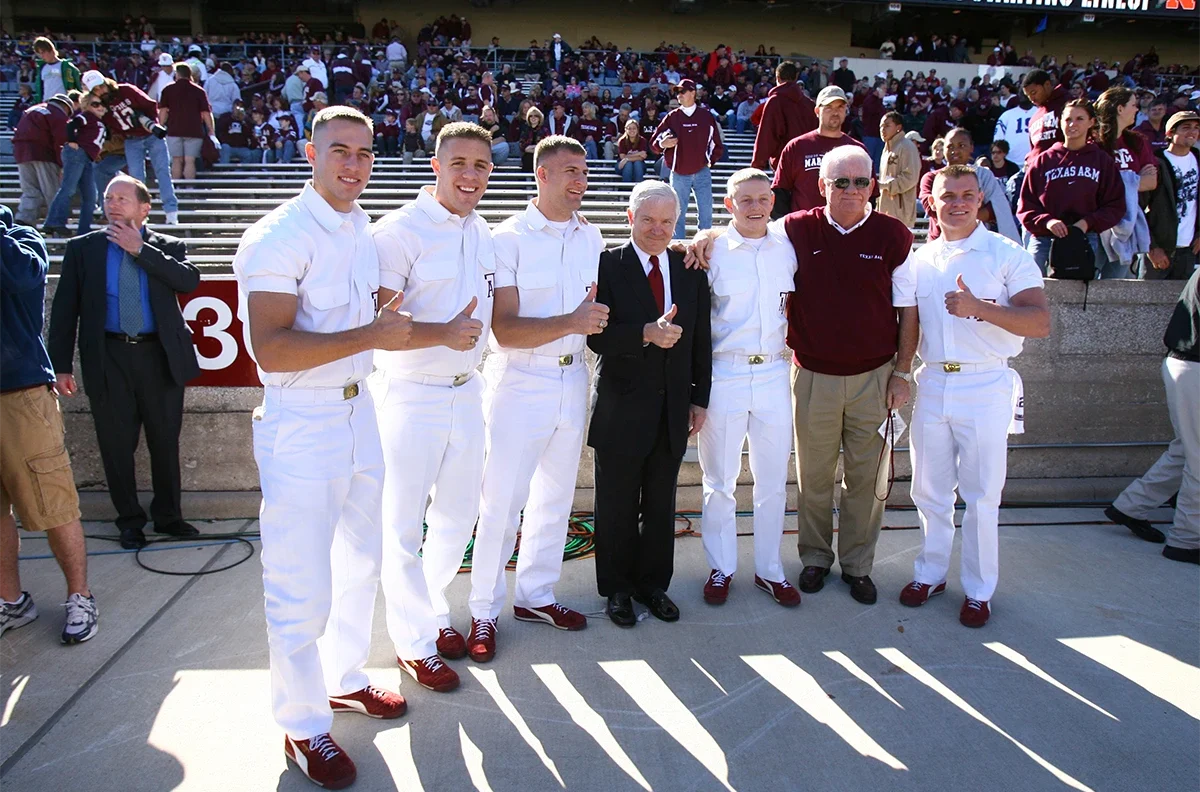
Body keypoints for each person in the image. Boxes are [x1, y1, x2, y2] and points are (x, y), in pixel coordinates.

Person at [232, 105, 408, 790]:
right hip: (301, 422)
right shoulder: (277, 234)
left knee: (360, 562)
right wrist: (371, 335)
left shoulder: (362, 227)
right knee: (299, 582)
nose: (354, 165)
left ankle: (344, 679)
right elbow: (273, 351)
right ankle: (304, 728)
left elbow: (372, 321)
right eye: (340, 151)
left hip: (359, 410)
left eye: (364, 154)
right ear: (310, 152)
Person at [691, 146, 915, 606]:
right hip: (798, 373)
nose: (850, 189)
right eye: (840, 181)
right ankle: (800, 561)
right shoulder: (795, 231)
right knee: (803, 477)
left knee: (861, 479)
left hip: (868, 374)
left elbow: (908, 311)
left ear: (873, 184)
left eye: (859, 181)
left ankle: (851, 566)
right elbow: (741, 232)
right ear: (822, 185)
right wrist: (699, 237)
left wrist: (903, 372)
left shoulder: (892, 235)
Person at [369, 122, 497, 691]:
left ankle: (430, 607)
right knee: (400, 526)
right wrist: (440, 334)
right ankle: (414, 644)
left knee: (457, 519)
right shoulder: (397, 231)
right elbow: (378, 326)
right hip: (409, 394)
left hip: (469, 391)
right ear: (436, 166)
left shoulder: (485, 231)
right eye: (460, 164)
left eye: (482, 166)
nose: (471, 176)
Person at [893, 165, 1050, 628]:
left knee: (982, 495)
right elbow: (911, 322)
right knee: (929, 490)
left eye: (966, 195)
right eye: (947, 196)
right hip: (935, 380)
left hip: (985, 384)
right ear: (932, 202)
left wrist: (981, 309)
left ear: (979, 199)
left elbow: (1039, 322)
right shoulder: (921, 258)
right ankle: (931, 573)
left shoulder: (1006, 252)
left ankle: (980, 590)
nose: (957, 203)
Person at [466, 136, 603, 662]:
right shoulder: (509, 238)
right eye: (569, 171)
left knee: (555, 498)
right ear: (541, 175)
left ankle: (536, 595)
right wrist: (571, 321)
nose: (579, 181)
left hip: (573, 381)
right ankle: (483, 611)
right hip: (520, 380)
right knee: (501, 501)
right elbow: (505, 330)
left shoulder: (590, 238)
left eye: (584, 172)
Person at [48, 175, 201, 549]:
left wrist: (139, 250)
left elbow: (188, 281)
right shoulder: (83, 249)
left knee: (164, 440)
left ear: (144, 208)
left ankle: (168, 516)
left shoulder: (167, 245)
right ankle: (129, 520)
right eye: (108, 198)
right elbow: (65, 310)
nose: (113, 204)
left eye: (122, 198)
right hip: (109, 356)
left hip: (159, 356)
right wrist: (61, 365)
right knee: (116, 444)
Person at [587, 180, 712, 626]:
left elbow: (699, 338)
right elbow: (595, 335)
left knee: (661, 505)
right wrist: (645, 332)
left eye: (667, 221)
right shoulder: (606, 265)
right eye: (648, 220)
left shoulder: (688, 266)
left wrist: (699, 399)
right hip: (622, 406)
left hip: (673, 408)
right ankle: (617, 589)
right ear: (630, 218)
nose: (658, 230)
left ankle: (653, 584)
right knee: (617, 505)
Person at [697, 169, 800, 608]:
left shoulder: (789, 247)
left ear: (772, 201)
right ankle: (721, 567)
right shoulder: (712, 250)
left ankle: (769, 570)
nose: (755, 207)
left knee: (773, 478)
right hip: (726, 372)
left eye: (762, 198)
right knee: (719, 479)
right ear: (728, 205)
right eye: (745, 200)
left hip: (775, 373)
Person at [0, 207, 98, 646]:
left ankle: (80, 595)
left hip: (19, 396)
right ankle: (12, 601)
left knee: (54, 501)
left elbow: (23, 282)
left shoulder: (20, 239)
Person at [1105, 264, 1200, 566]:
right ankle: (1186, 540)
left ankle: (1131, 506)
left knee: (1187, 450)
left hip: (1186, 364)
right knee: (1197, 457)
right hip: (1194, 366)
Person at [1018, 100, 1125, 274]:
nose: (1072, 124)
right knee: (1032, 286)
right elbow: (1026, 205)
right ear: (1060, 122)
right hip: (1044, 239)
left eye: (1080, 118)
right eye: (1067, 119)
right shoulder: (1044, 160)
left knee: (1078, 296)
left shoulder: (1102, 160)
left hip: (1084, 238)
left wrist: (1086, 223)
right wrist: (1048, 221)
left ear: (1091, 122)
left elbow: (1115, 205)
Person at [80, 70, 180, 226]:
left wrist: (151, 123)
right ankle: (139, 216)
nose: (100, 91)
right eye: (96, 89)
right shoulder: (102, 106)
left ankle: (171, 211)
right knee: (136, 179)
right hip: (131, 140)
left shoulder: (126, 90)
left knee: (162, 171)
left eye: (101, 86)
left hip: (151, 135)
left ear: (106, 82)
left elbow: (150, 105)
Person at [771, 86, 867, 216]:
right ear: (817, 111)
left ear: (846, 110)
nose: (835, 112)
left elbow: (868, 194)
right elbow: (780, 192)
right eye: (828, 107)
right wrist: (790, 227)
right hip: (804, 229)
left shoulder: (858, 150)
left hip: (846, 230)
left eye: (840, 107)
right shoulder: (797, 146)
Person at [920, 128, 1021, 244]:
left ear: (971, 148)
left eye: (961, 145)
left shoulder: (984, 175)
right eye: (950, 146)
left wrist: (955, 213)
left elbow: (996, 208)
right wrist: (974, 212)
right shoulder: (931, 178)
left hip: (978, 244)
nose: (955, 151)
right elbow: (932, 208)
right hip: (940, 242)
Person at [652, 78, 724, 240]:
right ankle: (678, 249)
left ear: (693, 93)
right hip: (678, 173)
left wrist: (710, 160)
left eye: (683, 91)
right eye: (677, 92)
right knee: (677, 215)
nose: (679, 95)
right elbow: (655, 143)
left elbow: (717, 143)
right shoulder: (672, 117)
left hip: (702, 172)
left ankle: (704, 248)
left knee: (706, 214)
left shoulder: (706, 116)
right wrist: (663, 144)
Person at [1141, 111, 1200, 281]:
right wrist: (1151, 247)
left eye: (1196, 128)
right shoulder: (1155, 162)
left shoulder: (1198, 160)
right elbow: (1138, 207)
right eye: (1186, 127)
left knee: (1184, 306)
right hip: (1160, 251)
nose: (1192, 132)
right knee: (1148, 304)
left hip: (1189, 251)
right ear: (1170, 133)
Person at [42, 92, 107, 238]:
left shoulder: (100, 121)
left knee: (91, 197)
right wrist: (72, 141)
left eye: (102, 104)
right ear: (86, 105)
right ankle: (54, 222)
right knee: (68, 188)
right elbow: (71, 124)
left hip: (87, 158)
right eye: (95, 104)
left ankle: (83, 231)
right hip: (78, 154)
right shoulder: (86, 116)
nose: (100, 107)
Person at [13, 93, 72, 228]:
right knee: (51, 190)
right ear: (66, 107)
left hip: (21, 153)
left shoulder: (31, 110)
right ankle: (55, 221)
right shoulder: (57, 114)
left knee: (30, 189)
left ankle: (24, 218)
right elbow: (60, 141)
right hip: (44, 154)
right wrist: (62, 163)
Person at [750, 61, 817, 170]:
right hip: (808, 164)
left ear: (777, 78)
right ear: (796, 77)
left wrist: (757, 165)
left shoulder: (775, 101)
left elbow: (766, 135)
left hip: (784, 164)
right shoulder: (810, 104)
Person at [158, 63, 218, 181]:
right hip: (194, 131)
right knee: (190, 161)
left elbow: (163, 111)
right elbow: (206, 113)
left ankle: (176, 189)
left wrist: (160, 125)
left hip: (174, 130)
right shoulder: (199, 91)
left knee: (176, 160)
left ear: (177, 74)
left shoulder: (168, 89)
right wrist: (211, 131)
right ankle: (190, 188)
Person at [878, 110, 921, 228]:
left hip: (901, 211)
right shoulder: (886, 149)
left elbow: (911, 177)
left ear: (898, 127)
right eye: (881, 126)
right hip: (886, 208)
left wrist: (886, 185)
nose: (882, 129)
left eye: (887, 126)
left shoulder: (907, 146)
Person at [1022, 70, 1068, 160]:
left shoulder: (1068, 105)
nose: (1032, 99)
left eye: (1033, 93)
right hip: (1036, 169)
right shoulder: (1034, 118)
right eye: (1028, 95)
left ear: (1047, 84)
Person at [32, 37, 82, 103]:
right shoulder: (41, 68)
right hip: (46, 103)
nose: (41, 56)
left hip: (63, 103)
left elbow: (78, 85)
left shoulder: (66, 66)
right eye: (39, 53)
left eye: (43, 52)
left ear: (51, 50)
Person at [616, 119, 649, 183]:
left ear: (637, 129)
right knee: (628, 164)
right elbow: (622, 157)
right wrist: (638, 153)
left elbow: (643, 156)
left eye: (634, 128)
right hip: (621, 165)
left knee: (637, 163)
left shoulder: (642, 140)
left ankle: (639, 188)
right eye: (629, 128)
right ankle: (626, 189)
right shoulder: (622, 140)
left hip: (639, 166)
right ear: (626, 129)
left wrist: (627, 158)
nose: (632, 130)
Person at [519, 106, 549, 172]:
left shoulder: (545, 130)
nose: (533, 118)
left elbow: (546, 146)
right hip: (527, 156)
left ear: (539, 118)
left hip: (541, 156)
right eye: (531, 116)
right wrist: (533, 148)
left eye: (536, 116)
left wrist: (532, 147)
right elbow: (522, 145)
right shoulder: (525, 129)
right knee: (528, 159)